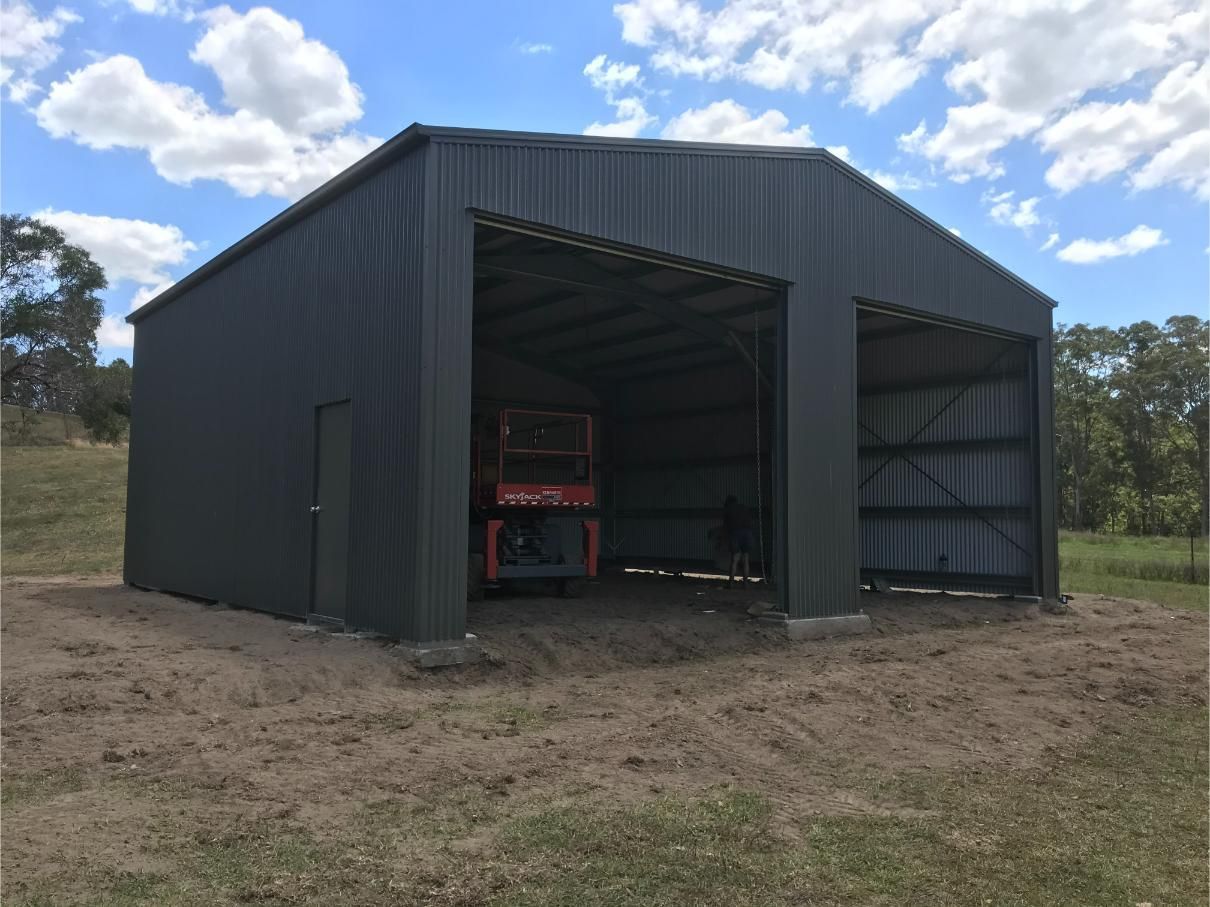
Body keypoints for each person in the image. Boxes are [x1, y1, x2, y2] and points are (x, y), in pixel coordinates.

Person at [722, 495, 754, 587]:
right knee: (746, 559)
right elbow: (750, 522)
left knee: (735, 559)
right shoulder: (744, 508)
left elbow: (725, 527)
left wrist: (724, 539)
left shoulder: (728, 510)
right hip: (747, 533)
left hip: (735, 533)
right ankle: (745, 583)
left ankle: (731, 583)